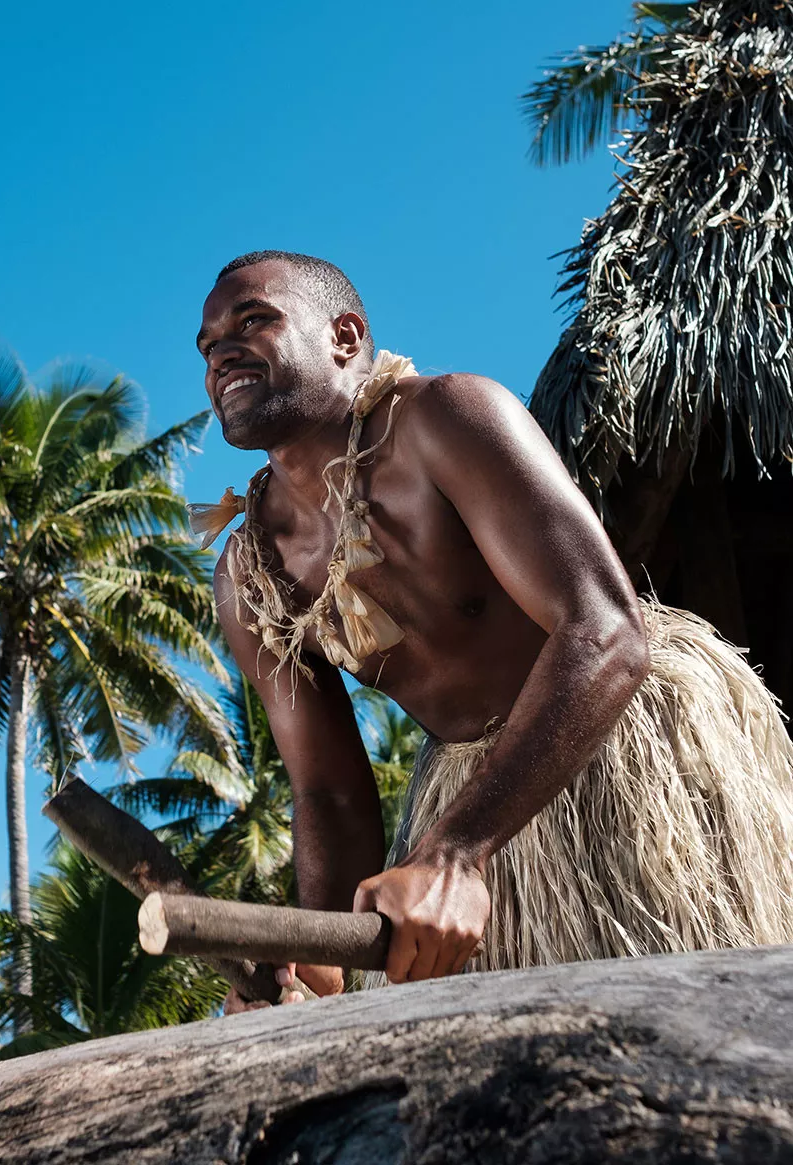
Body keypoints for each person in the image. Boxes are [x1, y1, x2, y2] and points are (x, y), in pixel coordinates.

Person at [190, 250, 793, 1013]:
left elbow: (605, 629)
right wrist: (316, 956)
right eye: (209, 346)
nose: (223, 354)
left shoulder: (444, 418)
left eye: (254, 321)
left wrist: (455, 851)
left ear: (345, 337)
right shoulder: (250, 574)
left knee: (707, 1019)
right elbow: (330, 793)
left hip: (621, 744)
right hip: (469, 805)